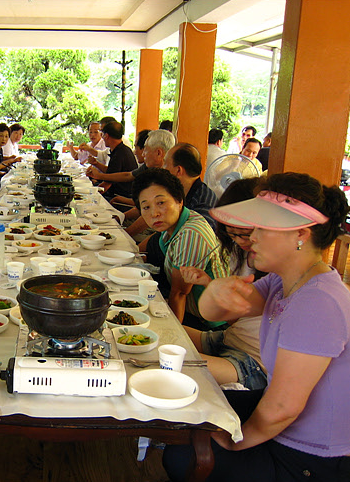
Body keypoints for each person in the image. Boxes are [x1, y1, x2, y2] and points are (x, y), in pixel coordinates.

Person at [163, 172, 350, 482]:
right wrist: (214, 292)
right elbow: (224, 307)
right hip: (288, 433)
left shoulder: (317, 302)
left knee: (180, 456)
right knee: (187, 414)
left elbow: (282, 407)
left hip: (311, 465)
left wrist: (235, 443)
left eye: (262, 228)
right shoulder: (283, 281)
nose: (251, 237)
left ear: (300, 234)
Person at [180, 178, 268, 390]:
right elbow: (233, 318)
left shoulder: (280, 269)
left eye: (245, 233)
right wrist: (211, 284)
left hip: (253, 362)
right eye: (232, 234)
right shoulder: (239, 254)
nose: (240, 240)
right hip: (230, 338)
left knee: (177, 364)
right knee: (165, 335)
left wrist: (213, 287)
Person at [132, 168, 229, 330]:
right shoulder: (173, 225)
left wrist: (172, 336)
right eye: (146, 207)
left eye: (161, 203)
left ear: (179, 200)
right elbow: (147, 247)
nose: (154, 213)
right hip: (192, 310)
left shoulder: (191, 234)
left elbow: (179, 294)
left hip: (208, 322)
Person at [85, 120, 138, 200]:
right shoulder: (121, 149)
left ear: (106, 136)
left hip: (119, 197)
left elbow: (107, 184)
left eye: (102, 134)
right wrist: (96, 163)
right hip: (117, 193)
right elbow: (112, 172)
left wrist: (90, 194)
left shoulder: (120, 153)